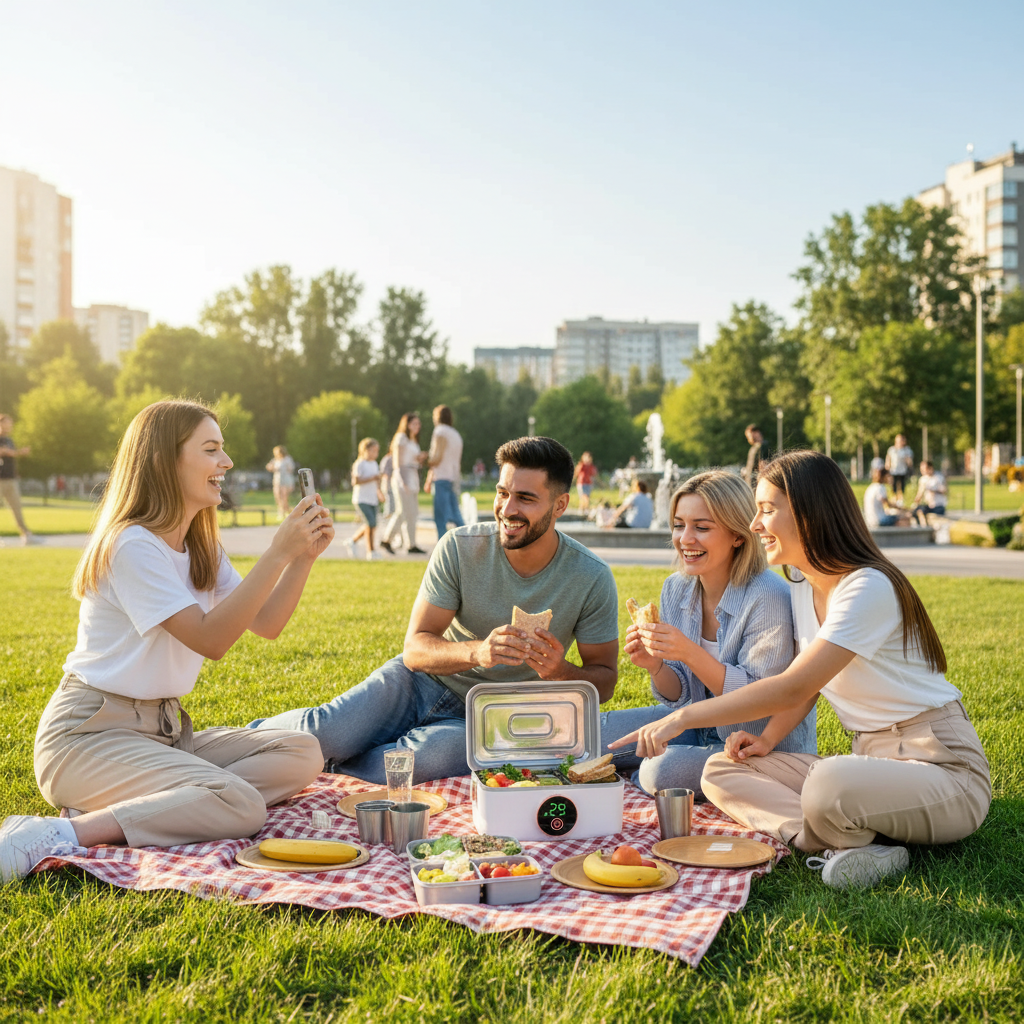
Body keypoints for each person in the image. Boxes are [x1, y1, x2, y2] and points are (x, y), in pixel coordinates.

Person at [611, 451, 990, 890]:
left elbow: (795, 684)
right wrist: (767, 739)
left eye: (767, 510)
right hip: (870, 759)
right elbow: (810, 686)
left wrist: (681, 718)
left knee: (829, 782)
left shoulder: (867, 587)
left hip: (942, 765)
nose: (755, 524)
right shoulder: (802, 588)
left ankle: (836, 833)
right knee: (720, 769)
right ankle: (843, 846)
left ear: (809, 514)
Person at [0, 400, 334, 883]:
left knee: (302, 751)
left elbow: (266, 622)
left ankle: (170, 801)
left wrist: (301, 556)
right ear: (165, 461)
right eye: (211, 449)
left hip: (163, 733)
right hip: (87, 736)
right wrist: (276, 550)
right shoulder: (132, 545)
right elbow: (210, 639)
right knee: (240, 804)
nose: (227, 462)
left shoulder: (199, 545)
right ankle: (63, 831)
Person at [248, 436, 620, 784]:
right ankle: (245, 740)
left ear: (560, 505)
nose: (507, 509)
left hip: (490, 719)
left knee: (427, 759)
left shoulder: (590, 577)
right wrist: (479, 651)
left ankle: (330, 765)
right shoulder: (460, 547)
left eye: (525, 498)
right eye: (502, 492)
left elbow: (604, 681)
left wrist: (560, 671)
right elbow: (415, 648)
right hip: (420, 682)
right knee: (323, 733)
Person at [600, 471, 814, 796]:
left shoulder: (767, 596)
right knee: (596, 734)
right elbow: (681, 696)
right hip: (695, 728)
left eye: (701, 527)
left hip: (755, 746)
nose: (686, 538)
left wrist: (688, 651)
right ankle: (635, 775)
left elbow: (757, 702)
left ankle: (636, 779)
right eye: (678, 525)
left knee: (659, 771)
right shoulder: (676, 588)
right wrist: (655, 666)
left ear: (738, 535)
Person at [381, 412, 428, 555]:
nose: (417, 426)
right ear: (407, 424)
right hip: (403, 478)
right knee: (402, 511)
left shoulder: (414, 441)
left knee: (413, 513)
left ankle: (411, 544)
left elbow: (412, 461)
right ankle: (386, 539)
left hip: (413, 476)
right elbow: (397, 462)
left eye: (418, 424)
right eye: (414, 423)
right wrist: (403, 481)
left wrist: (420, 458)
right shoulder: (401, 438)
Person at [425, 405, 464, 540]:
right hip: (453, 477)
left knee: (440, 518)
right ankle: (468, 543)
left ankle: (442, 549)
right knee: (457, 517)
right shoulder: (456, 434)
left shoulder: (440, 431)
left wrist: (424, 459)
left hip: (441, 478)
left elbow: (437, 457)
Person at [0, 413, 35, 545]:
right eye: (6, 423)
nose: (9, 426)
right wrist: (19, 452)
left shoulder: (9, 440)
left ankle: (26, 534)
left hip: (11, 478)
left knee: (17, 507)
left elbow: (10, 455)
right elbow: (6, 452)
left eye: (10, 423)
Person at [347, 437, 383, 561]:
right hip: (361, 499)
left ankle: (352, 541)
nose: (375, 454)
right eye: (372, 450)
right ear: (365, 450)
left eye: (377, 451)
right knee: (370, 523)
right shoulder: (360, 463)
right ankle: (371, 551)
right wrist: (371, 478)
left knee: (372, 525)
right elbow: (355, 481)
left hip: (372, 498)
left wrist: (379, 492)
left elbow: (377, 481)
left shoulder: (374, 464)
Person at [911, 461, 948, 525]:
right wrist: (915, 503)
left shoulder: (938, 477)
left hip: (938, 505)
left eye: (924, 469)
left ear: (930, 468)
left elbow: (945, 490)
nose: (922, 471)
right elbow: (920, 493)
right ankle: (922, 528)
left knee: (938, 520)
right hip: (928, 505)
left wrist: (934, 490)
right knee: (916, 511)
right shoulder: (923, 479)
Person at [266, 446, 297, 521]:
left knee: (284, 497)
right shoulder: (275, 460)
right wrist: (272, 467)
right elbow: (268, 466)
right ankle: (281, 512)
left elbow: (291, 468)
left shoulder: (287, 459)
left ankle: (286, 512)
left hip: (286, 480)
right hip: (277, 480)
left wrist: (281, 468)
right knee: (278, 497)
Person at [885, 434, 914, 503]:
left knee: (902, 485)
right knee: (893, 485)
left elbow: (909, 461)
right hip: (893, 471)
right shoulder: (892, 449)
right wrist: (887, 467)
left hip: (902, 471)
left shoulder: (906, 450)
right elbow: (888, 459)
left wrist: (909, 463)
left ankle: (901, 499)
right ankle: (894, 498)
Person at [741, 425, 766, 489]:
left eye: (749, 436)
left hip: (756, 482)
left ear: (756, 433)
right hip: (750, 481)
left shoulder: (762, 447)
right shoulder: (754, 447)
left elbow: (763, 465)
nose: (748, 438)